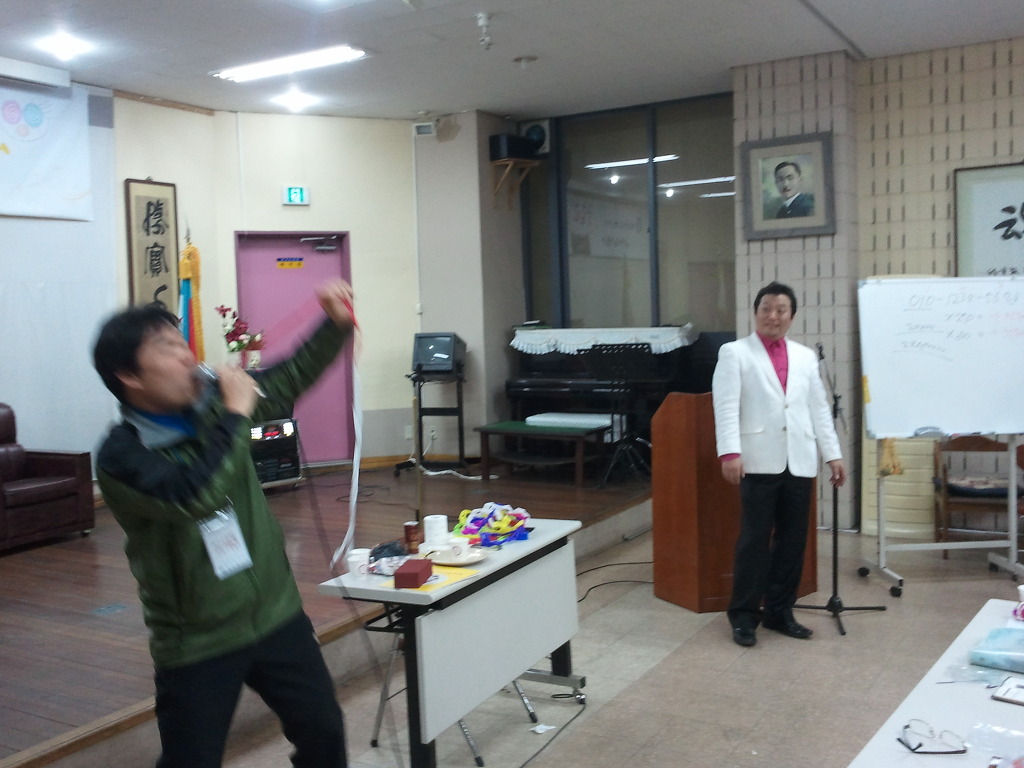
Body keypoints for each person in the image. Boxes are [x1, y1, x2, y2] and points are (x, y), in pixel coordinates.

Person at [92, 280, 355, 768]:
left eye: (182, 343)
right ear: (128, 375)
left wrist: (334, 324)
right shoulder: (120, 456)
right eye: (167, 349)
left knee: (323, 732)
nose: (187, 357)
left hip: (275, 612)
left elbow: (288, 378)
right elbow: (194, 496)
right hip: (198, 639)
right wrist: (235, 415)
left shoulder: (210, 403)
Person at [711, 281, 845, 648]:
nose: (773, 316)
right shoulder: (735, 353)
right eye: (766, 309)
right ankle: (743, 616)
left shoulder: (805, 357)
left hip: (799, 461)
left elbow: (819, 409)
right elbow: (726, 406)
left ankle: (780, 612)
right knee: (753, 542)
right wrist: (729, 452)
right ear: (756, 313)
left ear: (792, 316)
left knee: (793, 543)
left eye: (781, 310)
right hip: (757, 460)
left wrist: (832, 453)